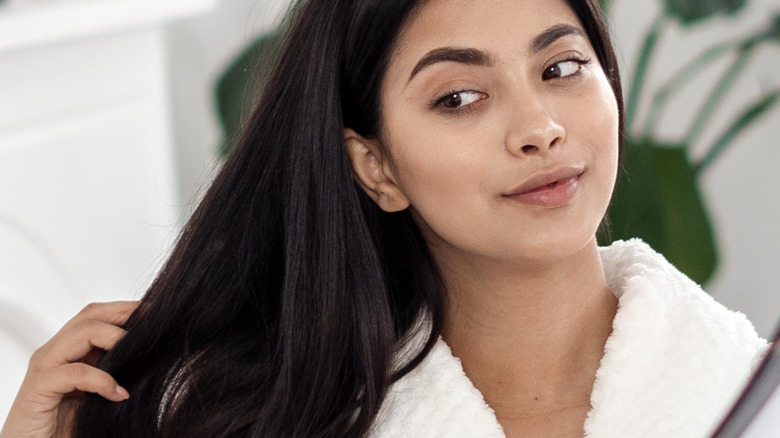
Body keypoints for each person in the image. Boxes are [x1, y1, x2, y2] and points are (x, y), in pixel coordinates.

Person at [1, 0, 767, 437]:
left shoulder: (750, 398)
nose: (538, 126)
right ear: (377, 167)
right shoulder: (262, 420)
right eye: (459, 97)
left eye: (562, 68)